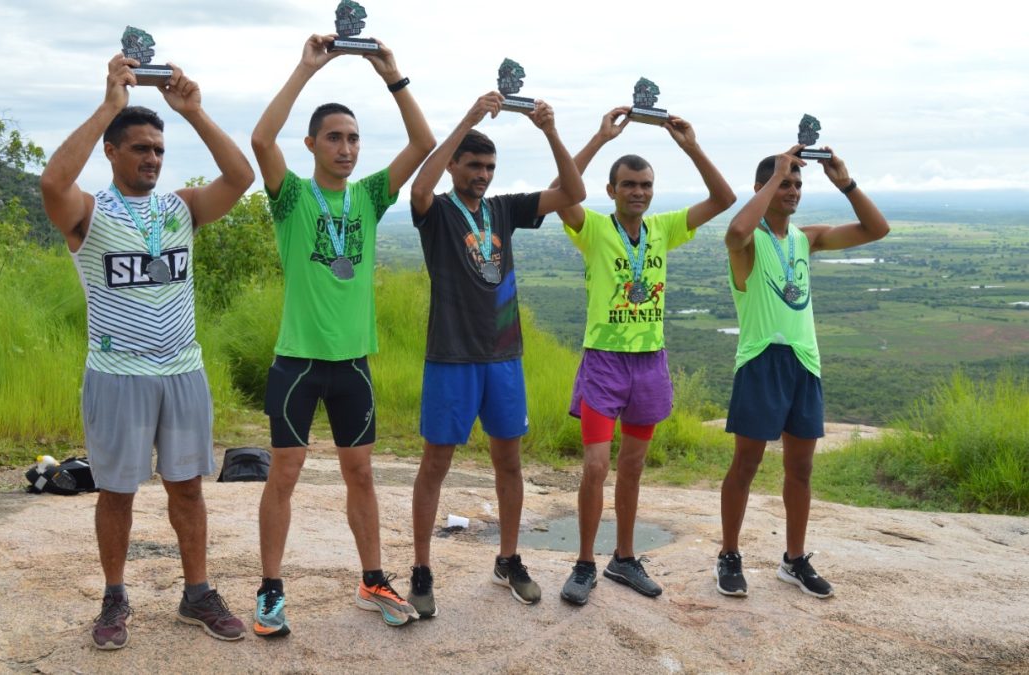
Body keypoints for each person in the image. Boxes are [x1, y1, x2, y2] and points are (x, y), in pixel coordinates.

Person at [39, 55, 255, 649]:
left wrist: (193, 111)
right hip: (117, 373)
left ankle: (197, 593)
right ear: (112, 152)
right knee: (117, 491)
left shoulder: (179, 208)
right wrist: (109, 105)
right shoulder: (89, 213)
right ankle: (113, 598)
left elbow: (240, 179)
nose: (152, 158)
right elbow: (53, 184)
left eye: (157, 149)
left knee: (187, 486)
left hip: (183, 368)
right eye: (139, 148)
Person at [250, 34, 435, 635]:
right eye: (334, 137)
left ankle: (372, 579)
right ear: (312, 144)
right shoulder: (292, 199)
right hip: (298, 361)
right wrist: (306, 69)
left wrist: (394, 74)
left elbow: (424, 144)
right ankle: (271, 589)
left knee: (361, 473)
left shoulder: (369, 198)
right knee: (285, 473)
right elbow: (259, 139)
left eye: (354, 138)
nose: (346, 148)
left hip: (352, 361)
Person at [406, 91, 586, 617]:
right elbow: (419, 185)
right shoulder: (437, 212)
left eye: (489, 166)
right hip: (451, 356)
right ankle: (421, 569)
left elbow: (573, 189)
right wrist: (467, 118)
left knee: (509, 461)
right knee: (435, 463)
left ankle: (508, 558)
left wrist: (550, 130)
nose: (482, 174)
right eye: (473, 164)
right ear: (455, 165)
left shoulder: (503, 210)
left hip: (504, 357)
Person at [554, 107, 736, 605]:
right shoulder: (591, 228)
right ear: (612, 190)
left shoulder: (662, 229)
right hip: (604, 362)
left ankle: (625, 559)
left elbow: (724, 199)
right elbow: (561, 193)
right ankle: (585, 562)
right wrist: (597, 138)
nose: (638, 192)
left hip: (650, 361)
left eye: (646, 185)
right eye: (629, 184)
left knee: (633, 466)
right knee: (596, 467)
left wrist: (691, 145)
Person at [716, 144, 889, 599]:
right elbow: (735, 230)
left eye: (796, 183)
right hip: (760, 360)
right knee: (746, 464)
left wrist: (844, 181)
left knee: (801, 468)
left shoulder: (805, 239)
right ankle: (729, 554)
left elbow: (877, 228)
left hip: (804, 361)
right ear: (763, 188)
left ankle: (794, 560)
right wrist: (775, 172)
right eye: (783, 183)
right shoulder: (749, 244)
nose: (792, 190)